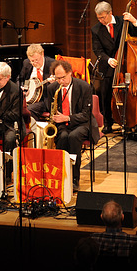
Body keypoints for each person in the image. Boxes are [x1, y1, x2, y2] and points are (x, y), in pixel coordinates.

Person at [43, 59, 97, 190]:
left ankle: (74, 178)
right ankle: (61, 175)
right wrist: (56, 117)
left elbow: (86, 114)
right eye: (57, 78)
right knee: (62, 137)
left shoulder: (84, 87)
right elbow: (51, 109)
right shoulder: (52, 88)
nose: (60, 81)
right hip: (62, 124)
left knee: (73, 137)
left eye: (63, 78)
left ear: (70, 73)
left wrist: (67, 117)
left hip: (82, 123)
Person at [91, 1, 137, 133]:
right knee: (106, 95)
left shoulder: (123, 22)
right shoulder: (96, 29)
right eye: (99, 18)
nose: (101, 20)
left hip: (126, 65)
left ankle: (132, 121)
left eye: (103, 17)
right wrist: (108, 60)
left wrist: (134, 20)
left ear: (110, 13)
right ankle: (108, 123)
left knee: (129, 94)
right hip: (108, 66)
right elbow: (97, 50)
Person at [17, 43, 56, 122]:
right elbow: (20, 79)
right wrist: (24, 88)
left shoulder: (53, 64)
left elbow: (60, 83)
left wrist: (53, 83)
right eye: (32, 61)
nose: (34, 63)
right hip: (28, 98)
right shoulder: (26, 63)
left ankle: (32, 131)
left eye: (36, 60)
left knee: (27, 110)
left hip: (44, 99)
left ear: (42, 54)